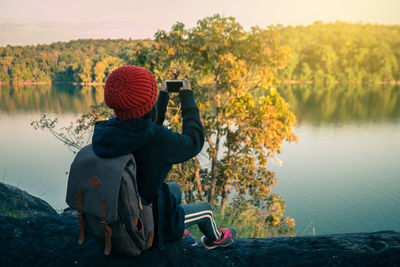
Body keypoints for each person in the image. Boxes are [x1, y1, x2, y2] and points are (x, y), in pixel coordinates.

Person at [91, 65, 236, 250]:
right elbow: (194, 142)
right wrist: (187, 97)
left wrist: (164, 96)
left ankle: (179, 231)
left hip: (125, 208)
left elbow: (145, 127)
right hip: (146, 224)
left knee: (175, 189)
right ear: (147, 101)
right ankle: (216, 239)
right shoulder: (156, 139)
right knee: (206, 210)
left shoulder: (108, 131)